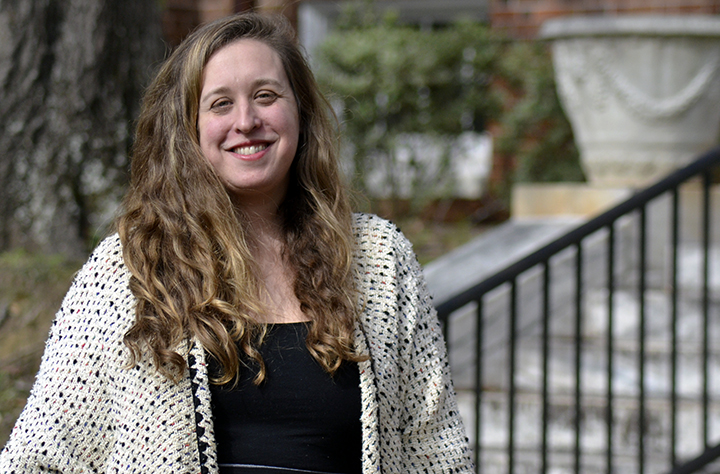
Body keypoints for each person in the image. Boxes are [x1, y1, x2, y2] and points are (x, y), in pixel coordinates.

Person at [0, 12, 474, 474]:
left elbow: (437, 452)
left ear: (301, 112)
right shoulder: (129, 269)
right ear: (188, 129)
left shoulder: (379, 258)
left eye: (266, 96)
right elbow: (41, 456)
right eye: (220, 104)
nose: (246, 121)